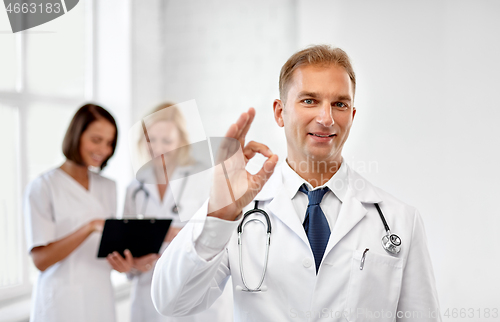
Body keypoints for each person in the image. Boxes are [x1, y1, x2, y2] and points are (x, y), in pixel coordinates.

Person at [151, 45, 441, 321]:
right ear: (280, 112)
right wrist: (219, 214)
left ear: (351, 117)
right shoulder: (235, 212)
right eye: (309, 100)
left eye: (339, 104)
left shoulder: (399, 220)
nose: (326, 118)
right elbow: (172, 301)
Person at [123, 103, 233, 322]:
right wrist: (131, 265)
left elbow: (219, 236)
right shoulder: (135, 188)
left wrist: (172, 234)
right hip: (146, 296)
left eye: (167, 141)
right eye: (151, 139)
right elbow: (128, 244)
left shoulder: (203, 179)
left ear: (181, 141)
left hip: (192, 296)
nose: (158, 148)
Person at [23, 104, 132, 322]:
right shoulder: (44, 186)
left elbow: (107, 247)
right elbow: (40, 260)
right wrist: (89, 227)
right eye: (96, 140)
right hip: (60, 301)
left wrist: (124, 264)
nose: (103, 150)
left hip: (100, 297)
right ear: (77, 136)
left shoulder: (108, 186)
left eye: (109, 143)